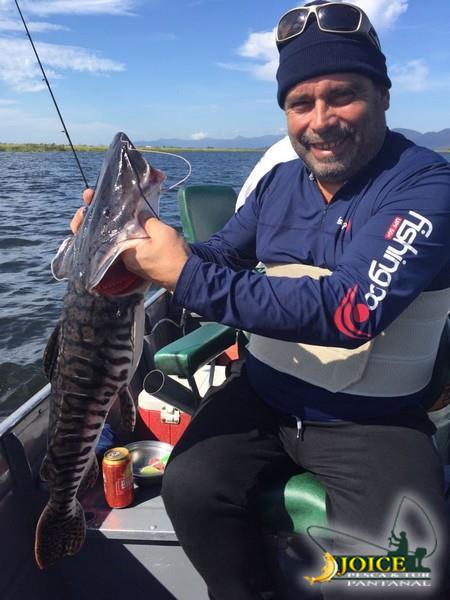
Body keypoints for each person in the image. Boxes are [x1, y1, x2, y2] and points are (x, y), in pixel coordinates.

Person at [73, 3, 450, 598]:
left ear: (382, 95)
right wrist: (135, 243)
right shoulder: (279, 182)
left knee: (406, 569)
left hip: (374, 421)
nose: (320, 121)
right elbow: (219, 255)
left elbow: (352, 309)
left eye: (342, 96)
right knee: (190, 486)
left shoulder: (426, 185)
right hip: (263, 395)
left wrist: (180, 274)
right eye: (301, 104)